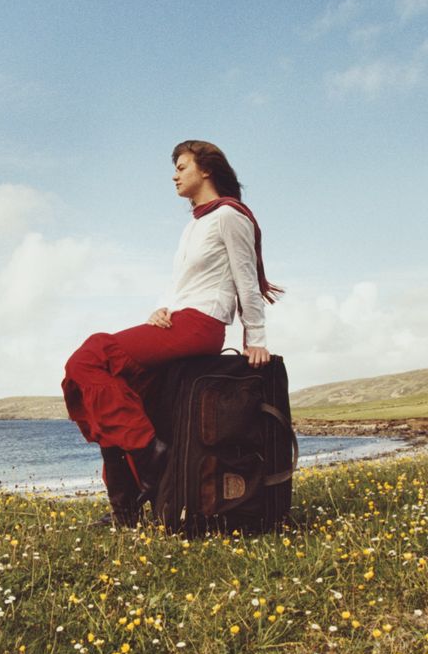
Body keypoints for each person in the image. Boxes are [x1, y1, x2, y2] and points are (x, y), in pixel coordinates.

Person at [61, 140, 282, 526]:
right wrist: (162, 306)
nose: (175, 175)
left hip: (201, 325)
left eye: (182, 166)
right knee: (111, 399)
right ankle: (126, 509)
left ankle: (151, 453)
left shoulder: (230, 216)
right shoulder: (193, 225)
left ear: (207, 170)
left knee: (89, 357)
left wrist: (256, 339)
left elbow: (246, 281)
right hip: (178, 319)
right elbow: (183, 284)